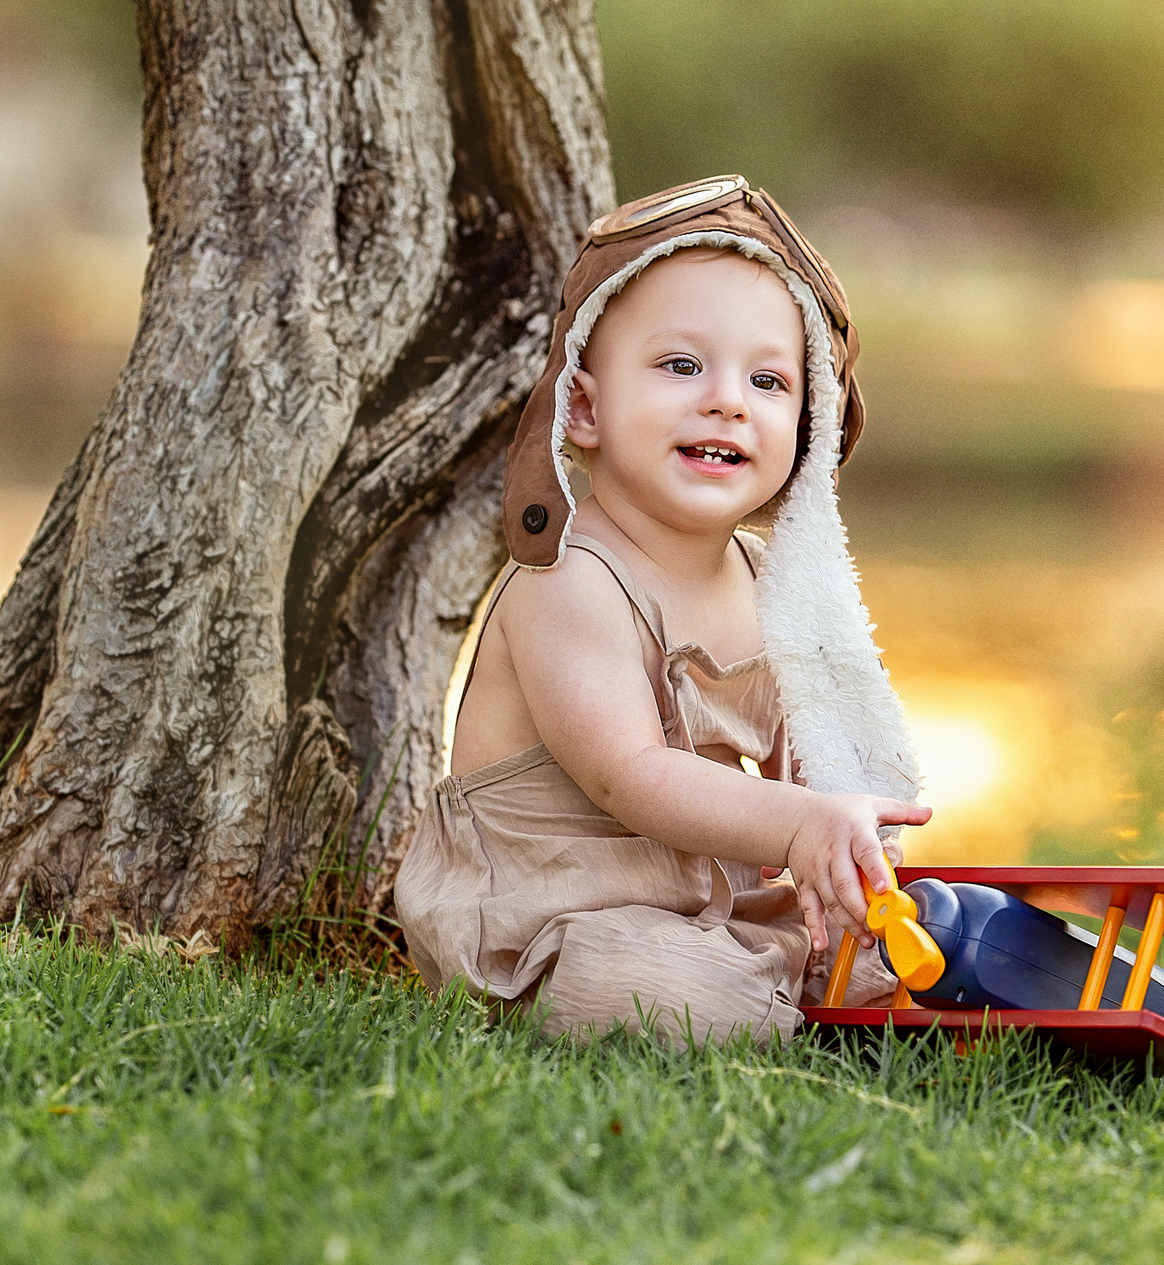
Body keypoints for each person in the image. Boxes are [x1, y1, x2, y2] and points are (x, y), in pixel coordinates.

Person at [394, 175, 929, 1044]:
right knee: (649, 985)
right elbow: (629, 775)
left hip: (701, 906)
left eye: (768, 380)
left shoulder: (771, 585)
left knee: (908, 932)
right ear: (584, 405)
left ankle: (827, 990)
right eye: (682, 365)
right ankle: (787, 1007)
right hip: (549, 921)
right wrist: (797, 827)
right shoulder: (570, 580)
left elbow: (813, 770)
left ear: (810, 427)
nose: (727, 398)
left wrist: (843, 850)